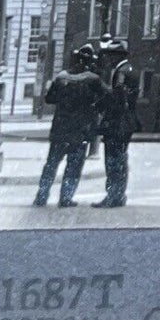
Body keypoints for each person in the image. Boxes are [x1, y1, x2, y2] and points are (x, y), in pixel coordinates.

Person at [33, 44, 108, 207]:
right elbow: (105, 99)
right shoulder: (93, 79)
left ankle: (41, 196)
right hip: (80, 130)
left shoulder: (62, 77)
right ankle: (65, 198)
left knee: (51, 164)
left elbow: (49, 99)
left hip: (60, 128)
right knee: (73, 166)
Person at [94, 41, 139, 209]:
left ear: (117, 56)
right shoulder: (130, 69)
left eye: (110, 55)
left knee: (113, 160)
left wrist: (102, 99)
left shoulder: (120, 72)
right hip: (127, 122)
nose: (108, 59)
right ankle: (120, 194)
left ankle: (112, 196)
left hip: (117, 122)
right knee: (121, 158)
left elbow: (118, 97)